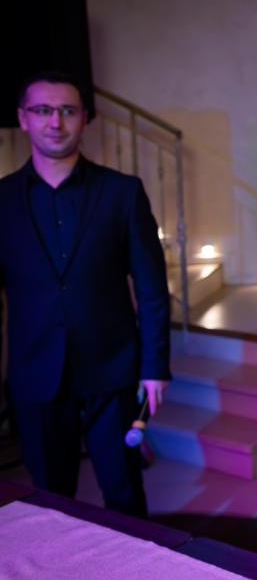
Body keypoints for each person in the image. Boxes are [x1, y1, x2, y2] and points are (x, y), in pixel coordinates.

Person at [0, 71, 171, 518]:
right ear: (23, 118)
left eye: (67, 110)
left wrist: (155, 367)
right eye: (42, 110)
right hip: (34, 372)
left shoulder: (122, 192)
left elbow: (152, 288)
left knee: (124, 492)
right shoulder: (2, 199)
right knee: (50, 499)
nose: (55, 122)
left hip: (112, 369)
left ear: (84, 119)